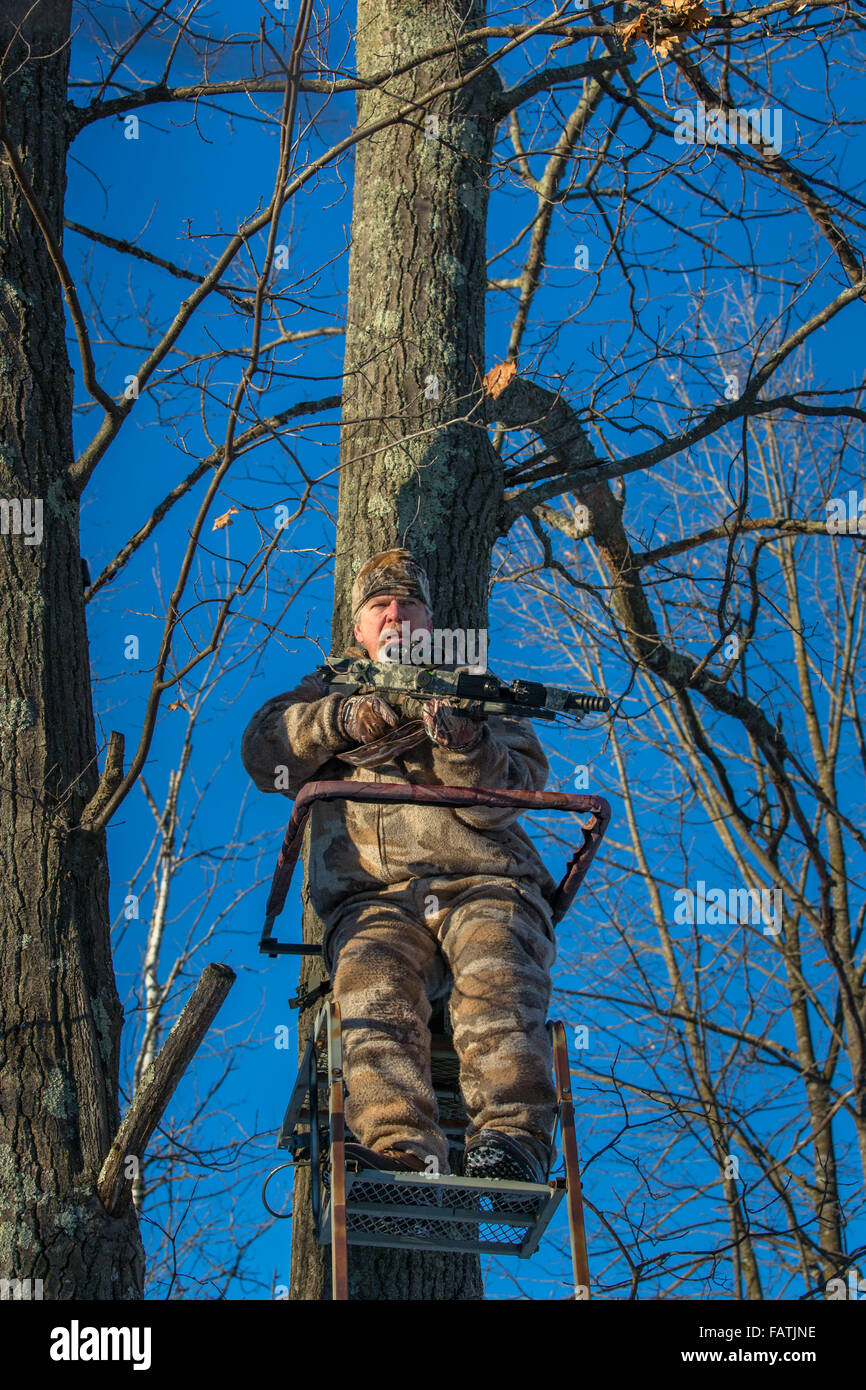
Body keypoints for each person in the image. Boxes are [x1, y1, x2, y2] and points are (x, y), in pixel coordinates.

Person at [241, 547, 559, 1185]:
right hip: (374, 899)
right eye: (379, 607)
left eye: (406, 606)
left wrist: (466, 745)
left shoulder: (476, 693)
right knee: (370, 984)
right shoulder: (322, 689)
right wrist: (344, 719)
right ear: (358, 628)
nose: (393, 617)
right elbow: (264, 753)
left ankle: (513, 1143)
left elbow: (518, 792)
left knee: (497, 969)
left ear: (430, 625)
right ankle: (401, 1153)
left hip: (483, 882)